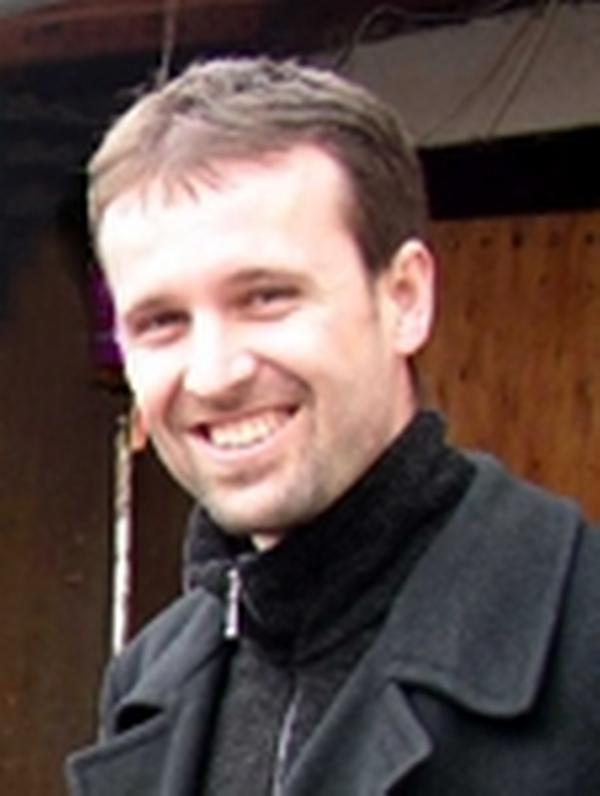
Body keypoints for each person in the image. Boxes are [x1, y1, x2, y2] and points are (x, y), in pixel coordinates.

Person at [66, 57, 600, 796]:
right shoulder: (148, 683)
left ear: (405, 298)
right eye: (161, 322)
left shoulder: (584, 641)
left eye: (266, 297)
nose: (214, 374)